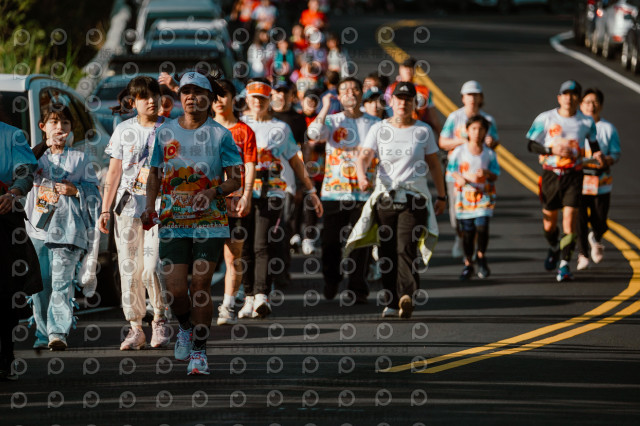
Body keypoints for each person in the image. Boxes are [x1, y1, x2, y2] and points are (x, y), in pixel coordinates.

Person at [144, 71, 243, 375]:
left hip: (209, 221)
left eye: (198, 92)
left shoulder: (221, 135)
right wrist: (148, 207)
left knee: (200, 286)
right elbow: (154, 173)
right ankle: (185, 327)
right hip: (173, 220)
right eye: (185, 91)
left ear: (209, 98)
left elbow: (236, 179)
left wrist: (213, 191)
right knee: (174, 291)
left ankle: (199, 351)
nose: (190, 97)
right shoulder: (165, 132)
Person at [349, 82, 446, 319]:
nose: (403, 103)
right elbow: (364, 156)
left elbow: (434, 165)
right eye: (399, 98)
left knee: (406, 247)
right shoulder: (379, 128)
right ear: (391, 102)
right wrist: (362, 176)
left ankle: (406, 296)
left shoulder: (423, 130)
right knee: (387, 252)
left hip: (414, 198)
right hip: (386, 197)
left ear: (414, 103)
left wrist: (442, 195)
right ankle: (392, 301)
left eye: (408, 99)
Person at [238, 79, 323, 319]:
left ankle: (261, 295)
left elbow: (295, 160)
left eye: (262, 98)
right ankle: (247, 296)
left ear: (269, 101)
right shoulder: (239, 125)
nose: (258, 102)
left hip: (272, 191)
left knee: (262, 243)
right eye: (254, 98)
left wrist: (310, 190)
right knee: (244, 246)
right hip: (242, 193)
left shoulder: (280, 128)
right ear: (247, 100)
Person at [99, 76, 170, 350]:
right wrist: (105, 209)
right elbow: (114, 172)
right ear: (133, 102)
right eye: (144, 97)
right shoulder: (123, 130)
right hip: (127, 207)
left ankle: (159, 319)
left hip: (160, 207)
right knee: (129, 269)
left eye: (154, 95)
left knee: (152, 267)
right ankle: (136, 327)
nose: (151, 101)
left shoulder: (171, 129)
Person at [25, 103, 102, 351]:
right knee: (40, 285)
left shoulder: (81, 158)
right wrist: (45, 145)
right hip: (36, 230)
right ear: (43, 126)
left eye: (65, 123)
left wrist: (75, 190)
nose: (60, 127)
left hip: (67, 230)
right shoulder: (34, 155)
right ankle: (42, 332)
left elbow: (95, 194)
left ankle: (57, 332)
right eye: (54, 122)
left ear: (71, 128)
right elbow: (21, 171)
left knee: (61, 283)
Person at [307, 77, 381, 302]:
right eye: (345, 90)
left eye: (355, 89)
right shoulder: (332, 120)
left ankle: (358, 288)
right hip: (334, 191)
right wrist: (325, 106)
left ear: (361, 94)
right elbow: (313, 134)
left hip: (364, 191)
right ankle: (332, 279)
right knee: (330, 242)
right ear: (339, 95)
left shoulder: (375, 123)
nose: (351, 92)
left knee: (361, 240)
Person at [526, 80, 603, 282]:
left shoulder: (586, 122)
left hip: (574, 174)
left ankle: (564, 264)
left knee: (569, 219)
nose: (569, 98)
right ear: (559, 98)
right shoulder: (546, 118)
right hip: (551, 174)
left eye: (573, 94)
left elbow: (594, 145)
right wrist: (551, 149)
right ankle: (554, 246)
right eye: (565, 94)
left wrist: (598, 155)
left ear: (578, 99)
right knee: (549, 225)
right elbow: (531, 145)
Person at [212, 79, 257, 325]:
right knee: (203, 259)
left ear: (232, 98)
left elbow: (250, 166)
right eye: (214, 96)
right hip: (207, 204)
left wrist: (247, 195)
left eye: (223, 95)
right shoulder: (203, 129)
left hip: (235, 202)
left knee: (233, 256)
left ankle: (227, 306)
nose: (219, 101)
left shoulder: (244, 131)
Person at [439, 80, 499, 258]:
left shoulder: (488, 120)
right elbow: (442, 142)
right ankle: (461, 237)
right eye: (468, 95)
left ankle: (473, 250)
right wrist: (463, 141)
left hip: (480, 175)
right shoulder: (455, 118)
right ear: (463, 98)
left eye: (475, 95)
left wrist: (491, 142)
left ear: (480, 98)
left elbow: (494, 141)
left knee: (479, 215)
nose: (472, 98)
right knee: (456, 215)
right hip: (457, 173)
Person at [0, 120, 39, 379]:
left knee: (5, 290)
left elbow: (25, 172)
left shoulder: (11, 135)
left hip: (4, 219)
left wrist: (13, 193)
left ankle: (5, 356)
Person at [446, 115, 500, 280]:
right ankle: (468, 262)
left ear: (485, 132)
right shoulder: (460, 151)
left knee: (482, 226)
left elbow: (495, 174)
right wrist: (459, 178)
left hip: (483, 196)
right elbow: (451, 170)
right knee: (468, 232)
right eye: (474, 129)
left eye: (481, 129)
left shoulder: (489, 153)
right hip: (465, 197)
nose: (477, 132)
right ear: (467, 131)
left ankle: (481, 256)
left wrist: (487, 173)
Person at [576, 88, 621, 270]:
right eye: (587, 102)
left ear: (601, 105)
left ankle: (595, 237)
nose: (591, 106)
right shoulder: (576, 126)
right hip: (579, 181)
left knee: (600, 219)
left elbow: (616, 153)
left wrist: (606, 160)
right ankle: (583, 254)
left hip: (601, 182)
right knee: (579, 219)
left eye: (595, 102)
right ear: (581, 105)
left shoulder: (608, 129)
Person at [384, 57, 441, 134]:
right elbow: (385, 111)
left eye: (411, 67)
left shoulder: (424, 91)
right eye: (406, 67)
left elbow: (433, 116)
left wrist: (440, 135)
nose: (408, 70)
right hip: (395, 128)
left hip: (417, 129)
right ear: (400, 69)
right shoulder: (391, 88)